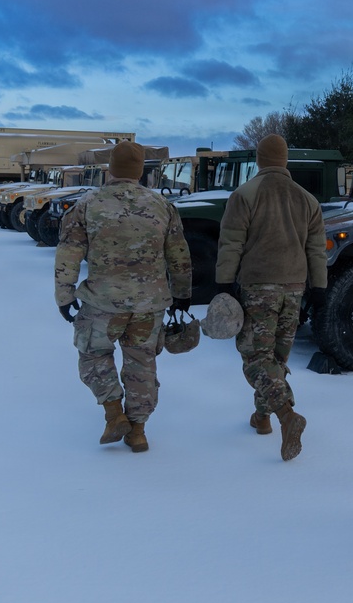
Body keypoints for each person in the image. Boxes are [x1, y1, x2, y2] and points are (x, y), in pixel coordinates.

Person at [54, 141, 192, 453]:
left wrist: (64, 295)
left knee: (92, 354)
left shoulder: (88, 204)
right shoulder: (162, 206)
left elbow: (69, 251)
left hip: (103, 303)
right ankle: (139, 431)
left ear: (110, 169)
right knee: (142, 363)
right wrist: (182, 295)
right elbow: (179, 255)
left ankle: (114, 414)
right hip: (149, 305)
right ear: (140, 171)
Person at [215, 134, 327, 461]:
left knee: (255, 358)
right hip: (295, 288)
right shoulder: (307, 199)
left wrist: (223, 284)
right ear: (285, 159)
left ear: (259, 160)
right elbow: (316, 250)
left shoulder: (245, 194)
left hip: (258, 287)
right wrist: (318, 289)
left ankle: (286, 415)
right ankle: (261, 418)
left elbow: (231, 243)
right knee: (276, 358)